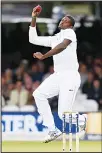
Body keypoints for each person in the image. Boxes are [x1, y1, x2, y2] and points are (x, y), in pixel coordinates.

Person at [29, 6, 87, 143]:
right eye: (62, 18)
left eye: (66, 20)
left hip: (70, 76)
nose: (62, 20)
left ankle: (81, 119)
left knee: (63, 114)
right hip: (58, 75)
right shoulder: (55, 37)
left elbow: (62, 46)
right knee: (38, 94)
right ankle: (52, 129)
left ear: (71, 25)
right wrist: (34, 17)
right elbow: (33, 39)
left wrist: (44, 56)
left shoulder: (70, 33)